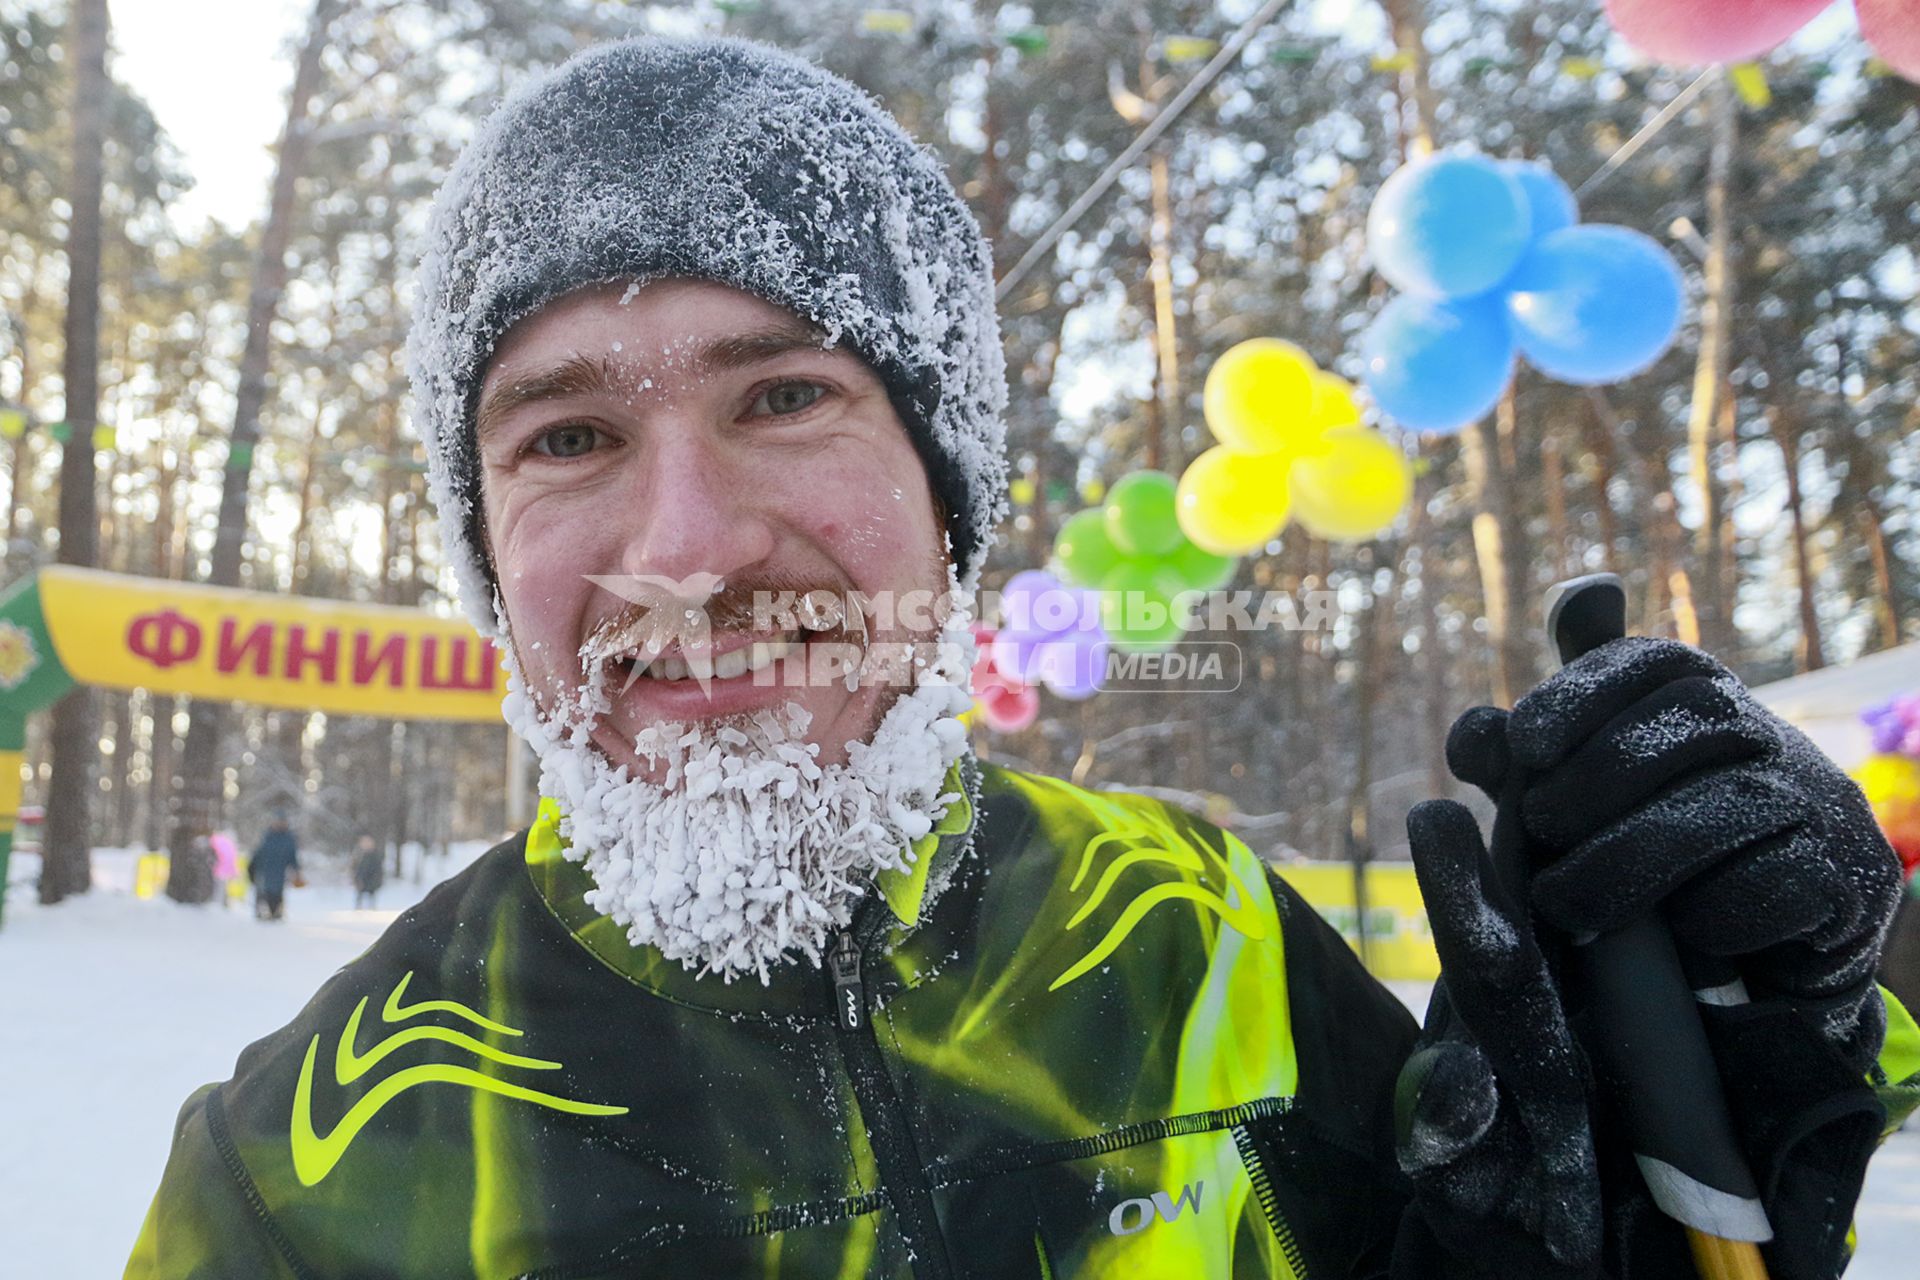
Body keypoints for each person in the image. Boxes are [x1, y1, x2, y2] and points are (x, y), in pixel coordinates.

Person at [127, 38, 1919, 1280]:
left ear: (951, 500)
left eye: (784, 395)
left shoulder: (1204, 935)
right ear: (486, 551)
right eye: (568, 439)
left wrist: (1678, 1156)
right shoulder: (303, 1162)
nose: (682, 549)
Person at [247, 816, 301, 923]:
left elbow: (292, 856)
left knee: (277, 892)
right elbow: (258, 853)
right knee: (264, 891)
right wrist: (252, 867)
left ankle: (276, 912)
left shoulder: (288, 839)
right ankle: (262, 911)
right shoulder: (267, 836)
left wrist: (296, 870)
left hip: (279, 871)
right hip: (265, 870)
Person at [351, 834, 385, 910]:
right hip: (362, 879)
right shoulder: (359, 855)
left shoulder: (375, 856)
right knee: (360, 894)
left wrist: (376, 880)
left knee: (371, 894)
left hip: (371, 879)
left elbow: (378, 870)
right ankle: (359, 908)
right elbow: (357, 868)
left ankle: (371, 908)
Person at [208, 830, 240, 910]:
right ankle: (220, 904)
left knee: (217, 890)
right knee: (221, 890)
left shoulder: (215, 841)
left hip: (216, 870)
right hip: (223, 872)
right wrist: (234, 872)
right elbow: (231, 860)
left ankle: (216, 904)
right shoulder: (230, 845)